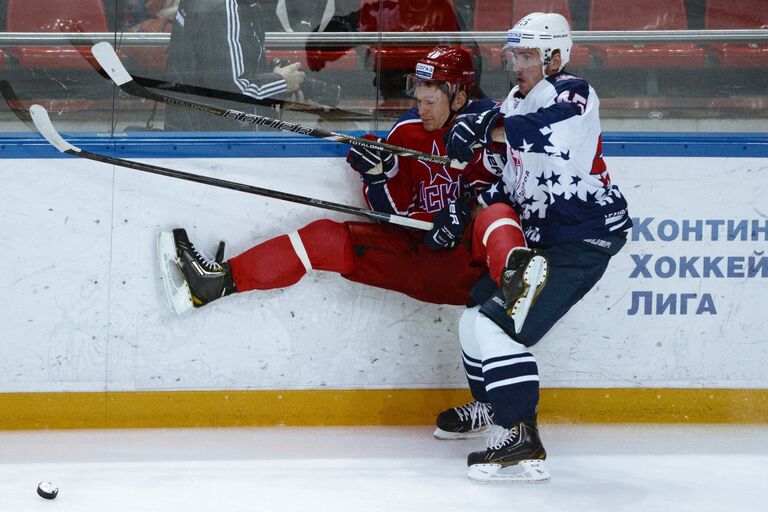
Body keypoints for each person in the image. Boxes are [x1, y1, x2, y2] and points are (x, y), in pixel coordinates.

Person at [157, 46, 545, 347]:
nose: (421, 107)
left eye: (432, 99)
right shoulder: (406, 133)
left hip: (473, 271)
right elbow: (392, 216)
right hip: (422, 260)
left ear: (459, 97)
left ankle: (515, 287)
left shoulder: (496, 127)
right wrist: (377, 177)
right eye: (419, 97)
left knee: (495, 213)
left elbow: (524, 188)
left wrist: (468, 208)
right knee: (325, 237)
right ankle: (215, 283)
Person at [436, 12, 633, 483]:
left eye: (527, 55)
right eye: (513, 55)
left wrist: (484, 131)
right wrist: (467, 206)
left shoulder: (573, 93)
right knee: (474, 315)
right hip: (545, 240)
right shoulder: (516, 101)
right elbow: (516, 177)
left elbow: (548, 132)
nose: (516, 64)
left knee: (496, 328)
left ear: (556, 56)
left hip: (583, 239)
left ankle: (519, 433)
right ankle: (493, 405)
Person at [164, 0, 306, 131]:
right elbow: (235, 90)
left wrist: (275, 74)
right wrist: (282, 81)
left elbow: (211, 70)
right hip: (224, 140)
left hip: (191, 129)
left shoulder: (237, 6)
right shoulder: (226, 9)